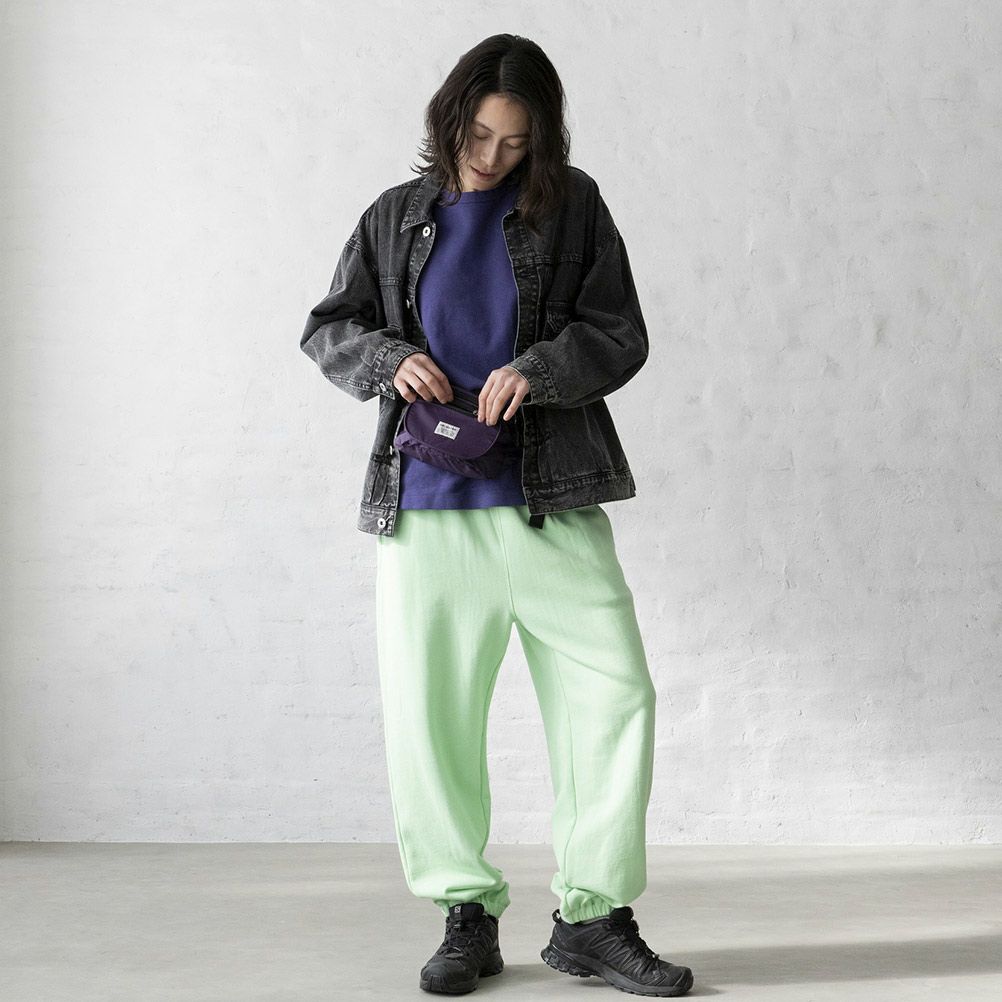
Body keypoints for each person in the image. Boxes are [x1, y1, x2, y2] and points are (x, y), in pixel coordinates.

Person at [300, 33, 694, 999]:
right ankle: (464, 915)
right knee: (431, 717)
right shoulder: (394, 218)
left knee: (615, 695)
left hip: (550, 498)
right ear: (451, 120)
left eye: (516, 143)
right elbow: (329, 325)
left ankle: (592, 917)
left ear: (542, 139)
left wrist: (540, 369)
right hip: (429, 505)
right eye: (478, 135)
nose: (492, 157)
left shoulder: (574, 206)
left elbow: (618, 331)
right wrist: (389, 358)